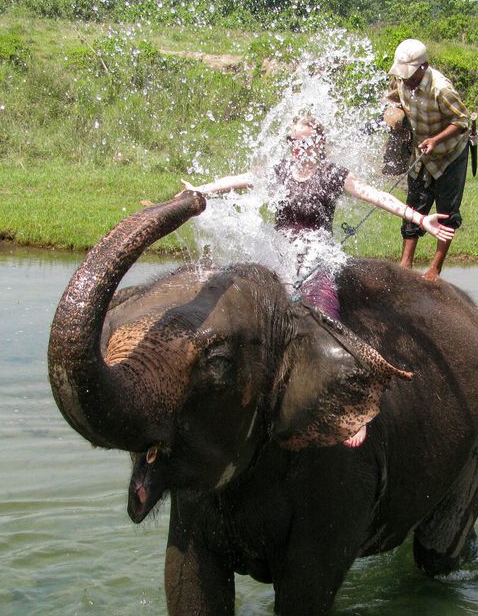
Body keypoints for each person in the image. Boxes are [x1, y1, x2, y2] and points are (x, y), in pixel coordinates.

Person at [179, 115, 455, 447]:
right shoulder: (280, 171)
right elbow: (239, 181)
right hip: (280, 257)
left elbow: (378, 197)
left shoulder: (333, 175)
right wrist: (199, 191)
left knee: (327, 323)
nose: (297, 147)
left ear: (318, 143)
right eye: (293, 141)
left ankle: (351, 412)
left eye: (304, 141)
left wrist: (421, 219)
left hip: (318, 258)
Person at [384, 38, 472, 281]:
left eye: (411, 75)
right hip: (421, 153)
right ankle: (405, 263)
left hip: (449, 154)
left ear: (424, 66)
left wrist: (436, 140)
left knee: (447, 211)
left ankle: (435, 267)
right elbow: (392, 98)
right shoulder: (402, 80)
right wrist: (394, 112)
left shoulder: (441, 88)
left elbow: (462, 121)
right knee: (413, 206)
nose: (406, 80)